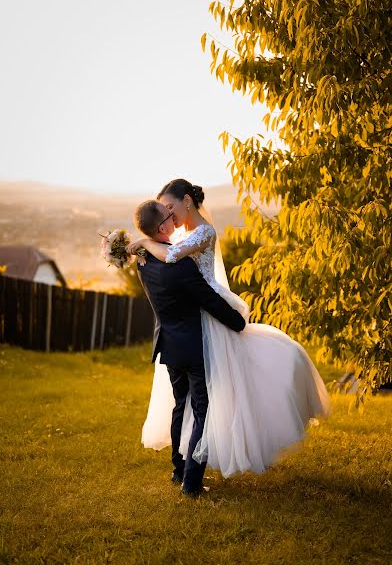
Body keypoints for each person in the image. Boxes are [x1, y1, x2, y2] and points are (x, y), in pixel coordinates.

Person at [129, 179, 331, 479]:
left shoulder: (203, 233)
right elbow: (173, 262)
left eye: (170, 207)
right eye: (165, 212)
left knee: (223, 390)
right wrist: (148, 241)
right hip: (195, 320)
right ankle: (187, 471)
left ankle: (192, 469)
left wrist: (144, 242)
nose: (169, 216)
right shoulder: (178, 235)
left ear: (186, 201)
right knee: (197, 401)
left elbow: (172, 258)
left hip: (208, 315)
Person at [133, 199, 246, 497]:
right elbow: (207, 299)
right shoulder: (180, 265)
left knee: (180, 406)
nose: (174, 218)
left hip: (169, 344)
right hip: (192, 345)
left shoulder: (143, 261)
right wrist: (238, 322)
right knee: (202, 410)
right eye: (169, 216)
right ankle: (192, 483)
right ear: (163, 227)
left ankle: (178, 469)